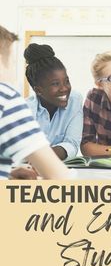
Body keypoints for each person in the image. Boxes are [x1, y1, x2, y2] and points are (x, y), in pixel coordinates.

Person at [0, 24, 74, 179]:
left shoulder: (75, 100)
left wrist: (8, 176)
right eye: (12, 62)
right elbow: (58, 177)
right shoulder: (6, 99)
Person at [25, 43, 83, 160]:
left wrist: (46, 156)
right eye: (55, 84)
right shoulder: (25, 110)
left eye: (66, 81)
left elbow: (72, 143)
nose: (64, 88)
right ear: (38, 90)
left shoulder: (74, 100)